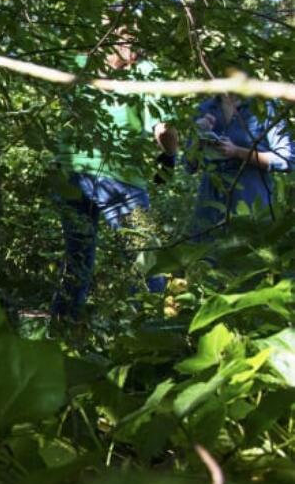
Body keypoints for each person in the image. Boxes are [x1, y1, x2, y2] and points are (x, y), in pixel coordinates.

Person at [50, 24, 179, 321]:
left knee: (77, 261)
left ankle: (61, 334)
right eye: (126, 36)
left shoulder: (77, 65)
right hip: (118, 180)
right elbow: (163, 128)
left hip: (71, 176)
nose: (133, 43)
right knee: (146, 260)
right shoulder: (144, 71)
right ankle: (152, 338)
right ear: (108, 37)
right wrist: (169, 158)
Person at [188, 93, 291, 236]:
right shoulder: (204, 108)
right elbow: (189, 165)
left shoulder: (265, 106)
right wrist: (197, 136)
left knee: (249, 253)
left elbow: (285, 160)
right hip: (209, 203)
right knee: (206, 255)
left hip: (250, 200)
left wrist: (237, 152)